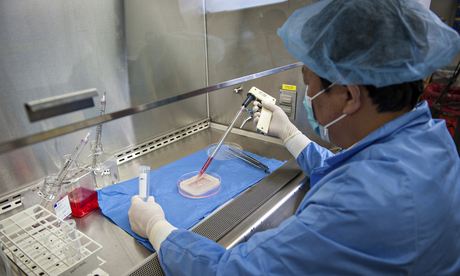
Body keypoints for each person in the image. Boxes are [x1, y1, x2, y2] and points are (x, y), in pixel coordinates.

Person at [128, 0, 460, 274]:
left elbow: (231, 271)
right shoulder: (431, 143)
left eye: (310, 83)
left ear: (349, 95)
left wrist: (159, 230)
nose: (308, 94)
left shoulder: (353, 208)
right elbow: (359, 171)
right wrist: (290, 134)